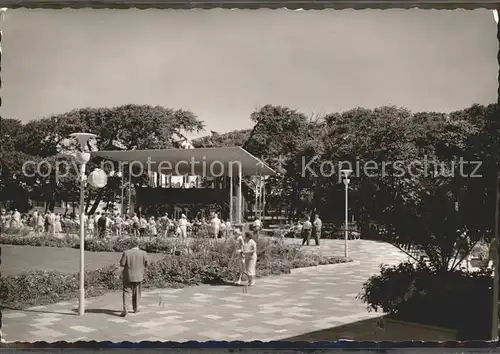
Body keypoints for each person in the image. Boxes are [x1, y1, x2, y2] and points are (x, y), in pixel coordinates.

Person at [119, 238, 149, 317]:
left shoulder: (126, 253)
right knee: (137, 292)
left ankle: (125, 308)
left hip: (128, 275)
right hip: (139, 275)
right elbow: (146, 264)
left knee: (126, 291)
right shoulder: (143, 253)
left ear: (130, 244)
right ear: (138, 244)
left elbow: (122, 264)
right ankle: (136, 308)